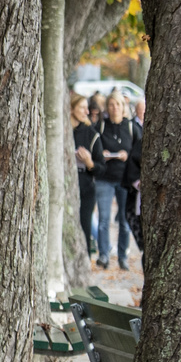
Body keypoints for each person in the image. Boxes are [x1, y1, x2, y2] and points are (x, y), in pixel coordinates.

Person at [94, 92, 139, 270]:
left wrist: (127, 156)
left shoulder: (131, 127)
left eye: (118, 105)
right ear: (107, 107)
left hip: (124, 179)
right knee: (104, 219)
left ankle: (122, 256)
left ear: (123, 106)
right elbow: (93, 147)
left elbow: (139, 151)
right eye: (111, 105)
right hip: (104, 178)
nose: (115, 108)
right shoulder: (101, 126)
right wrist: (101, 154)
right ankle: (104, 254)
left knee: (124, 221)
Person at [71, 94, 103, 255]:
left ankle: (85, 262)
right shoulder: (62, 132)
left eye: (87, 107)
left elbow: (101, 167)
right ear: (71, 109)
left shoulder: (91, 133)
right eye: (82, 107)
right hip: (66, 186)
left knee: (85, 227)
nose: (86, 111)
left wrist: (89, 163)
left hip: (86, 187)